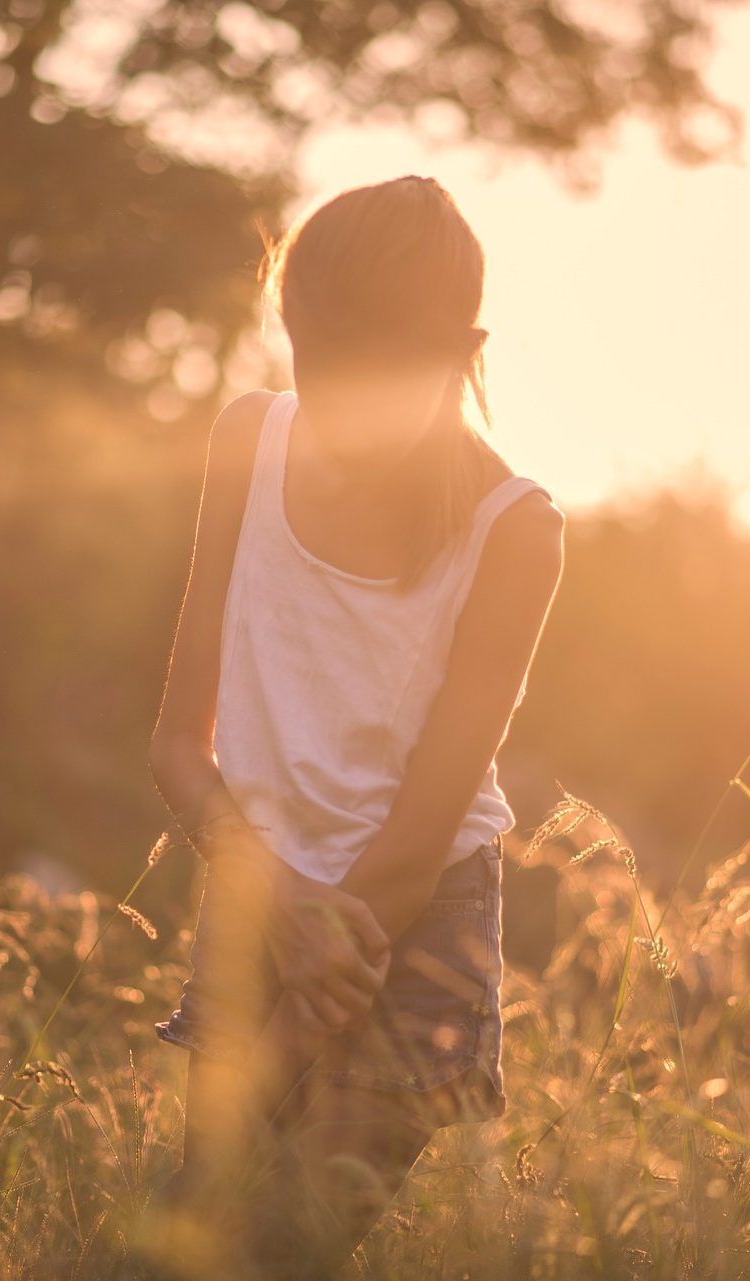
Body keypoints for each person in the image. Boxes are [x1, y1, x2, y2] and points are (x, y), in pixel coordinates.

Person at [142, 174, 565, 1279]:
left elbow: (414, 850)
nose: (336, 405)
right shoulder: (247, 442)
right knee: (199, 1249)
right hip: (254, 894)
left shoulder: (512, 530)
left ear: (458, 350)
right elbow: (178, 744)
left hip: (414, 927)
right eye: (315, 365)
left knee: (274, 1246)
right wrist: (275, 907)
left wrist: (276, 1049)